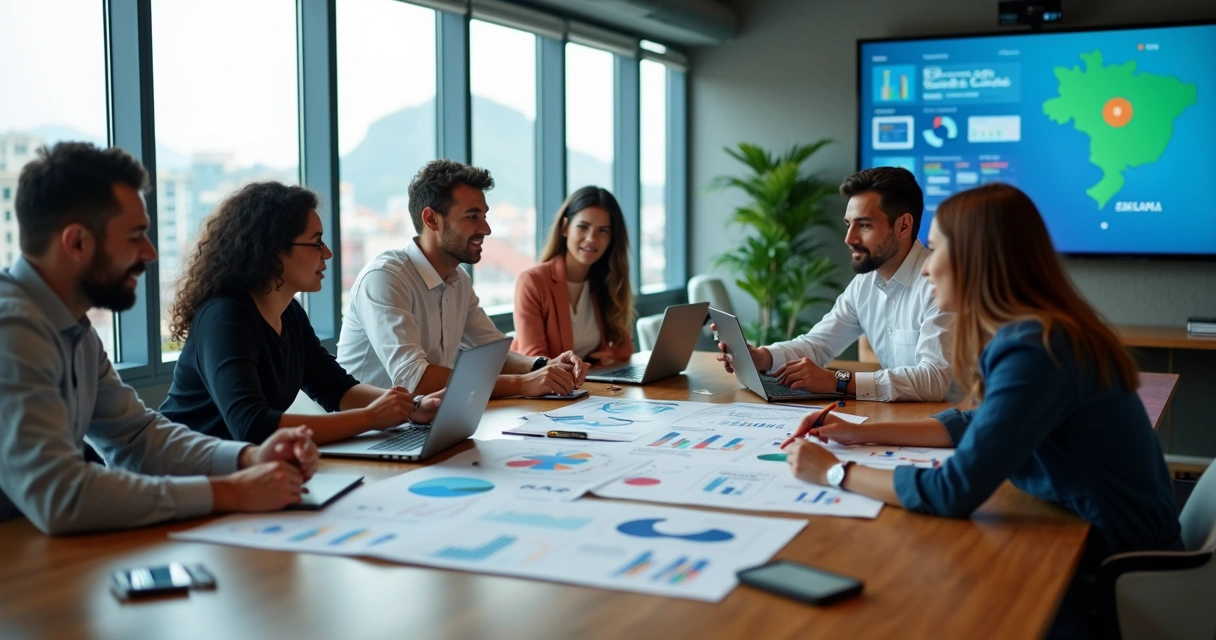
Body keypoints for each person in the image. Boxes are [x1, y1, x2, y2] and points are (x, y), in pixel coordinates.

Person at [781, 183, 1180, 637]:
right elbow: (977, 422)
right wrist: (862, 432)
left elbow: (954, 491)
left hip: (1110, 574)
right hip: (1105, 543)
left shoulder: (1038, 348)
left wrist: (834, 473)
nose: (928, 266)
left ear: (980, 257)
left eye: (940, 248)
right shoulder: (1036, 331)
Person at [0, 143, 318, 535]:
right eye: (135, 237)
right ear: (77, 242)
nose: (150, 254)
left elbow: (136, 437)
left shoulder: (74, 328)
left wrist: (249, 459)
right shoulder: (11, 330)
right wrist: (228, 492)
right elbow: (60, 495)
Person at [158, 182, 442, 446]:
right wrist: (370, 418)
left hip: (240, 469)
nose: (327, 253)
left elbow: (336, 389)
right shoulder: (224, 317)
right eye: (316, 242)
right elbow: (252, 425)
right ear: (272, 251)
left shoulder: (289, 312)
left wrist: (414, 406)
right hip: (177, 474)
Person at [338, 159, 587, 397]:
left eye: (484, 216)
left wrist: (545, 366)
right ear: (431, 219)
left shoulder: (458, 279)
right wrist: (522, 384)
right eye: (472, 217)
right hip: (368, 436)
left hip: (426, 422)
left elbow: (492, 352)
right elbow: (414, 378)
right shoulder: (385, 278)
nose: (486, 229)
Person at [716, 166, 954, 402]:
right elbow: (818, 345)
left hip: (957, 429)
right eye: (848, 224)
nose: (849, 239)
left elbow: (933, 380)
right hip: (904, 419)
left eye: (864, 225)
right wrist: (762, 357)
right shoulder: (865, 283)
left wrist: (838, 381)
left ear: (903, 226)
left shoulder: (941, 285)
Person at [512, 186, 634, 366]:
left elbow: (625, 347)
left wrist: (609, 355)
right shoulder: (532, 281)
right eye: (583, 227)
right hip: (544, 390)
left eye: (603, 231)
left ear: (611, 239)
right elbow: (534, 358)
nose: (591, 238)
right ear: (565, 228)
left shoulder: (606, 280)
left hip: (590, 386)